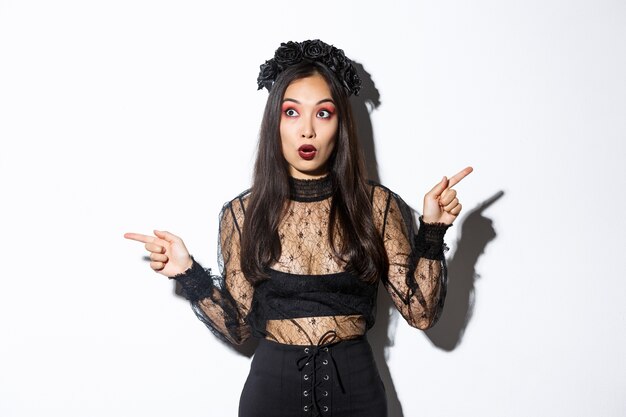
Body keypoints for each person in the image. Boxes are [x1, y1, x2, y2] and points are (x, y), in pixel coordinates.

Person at [124, 39, 472, 417]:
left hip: (357, 395)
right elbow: (239, 328)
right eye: (292, 112)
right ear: (275, 121)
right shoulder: (243, 213)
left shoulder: (377, 206)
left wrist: (433, 230)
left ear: (341, 124)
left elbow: (421, 314)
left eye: (323, 114)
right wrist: (188, 275)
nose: (307, 130)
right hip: (270, 396)